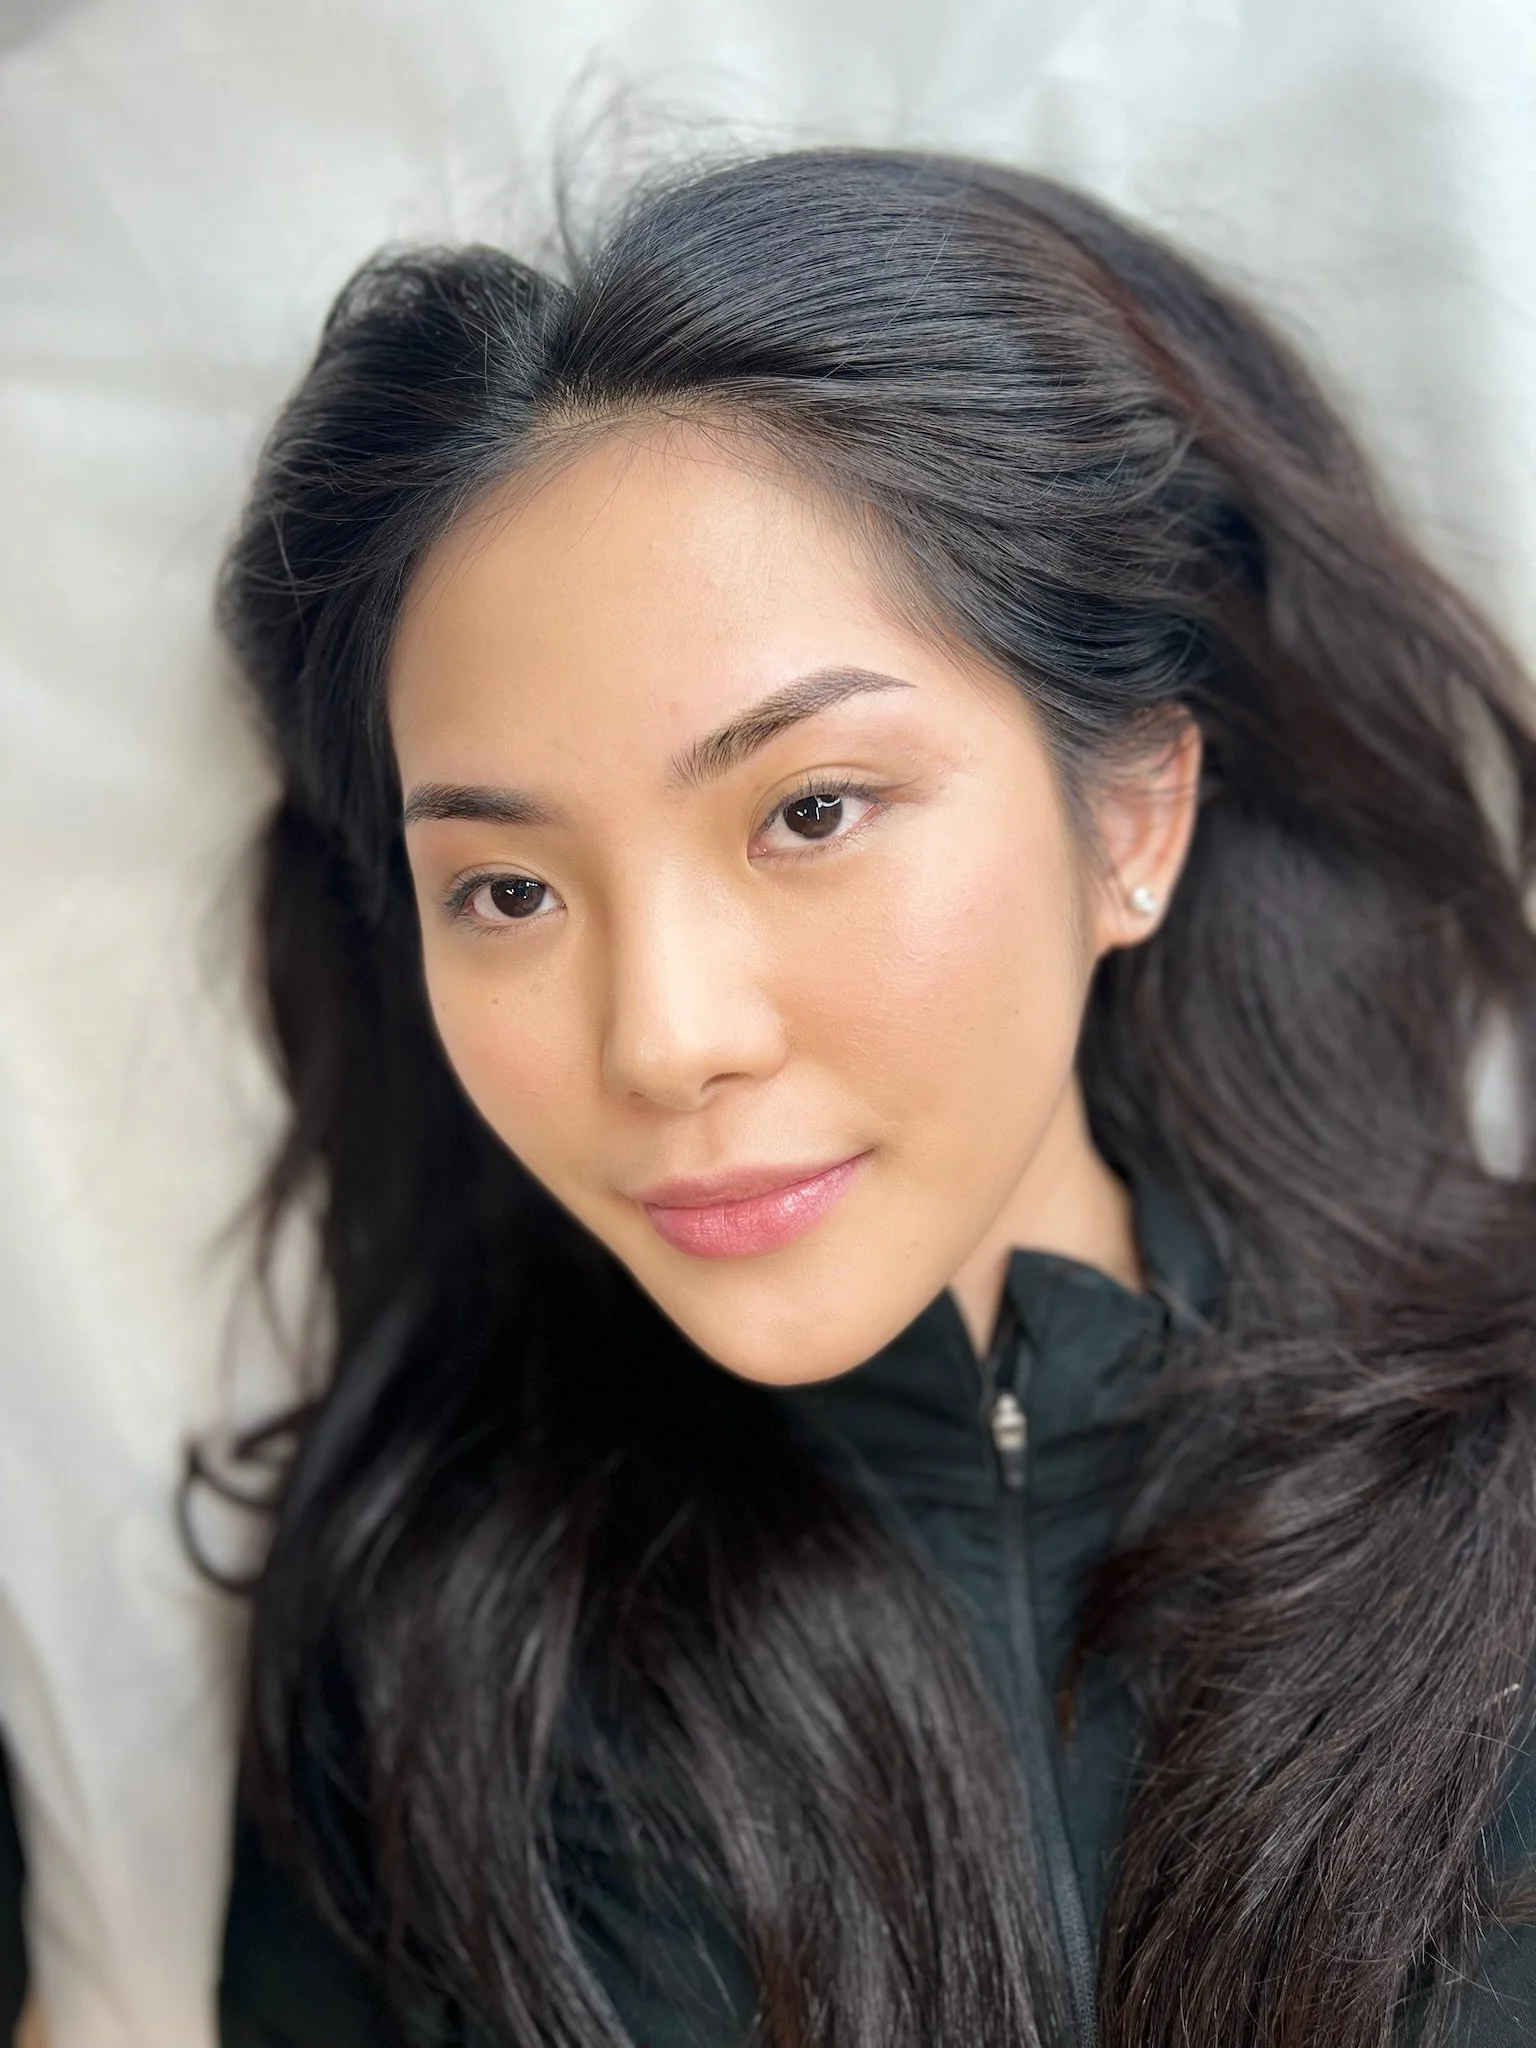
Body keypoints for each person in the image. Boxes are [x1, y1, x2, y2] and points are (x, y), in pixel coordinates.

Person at [208, 148, 1536, 2048]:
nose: (662, 1040)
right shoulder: (418, 1641)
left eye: (809, 811)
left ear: (1133, 810)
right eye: (508, 890)